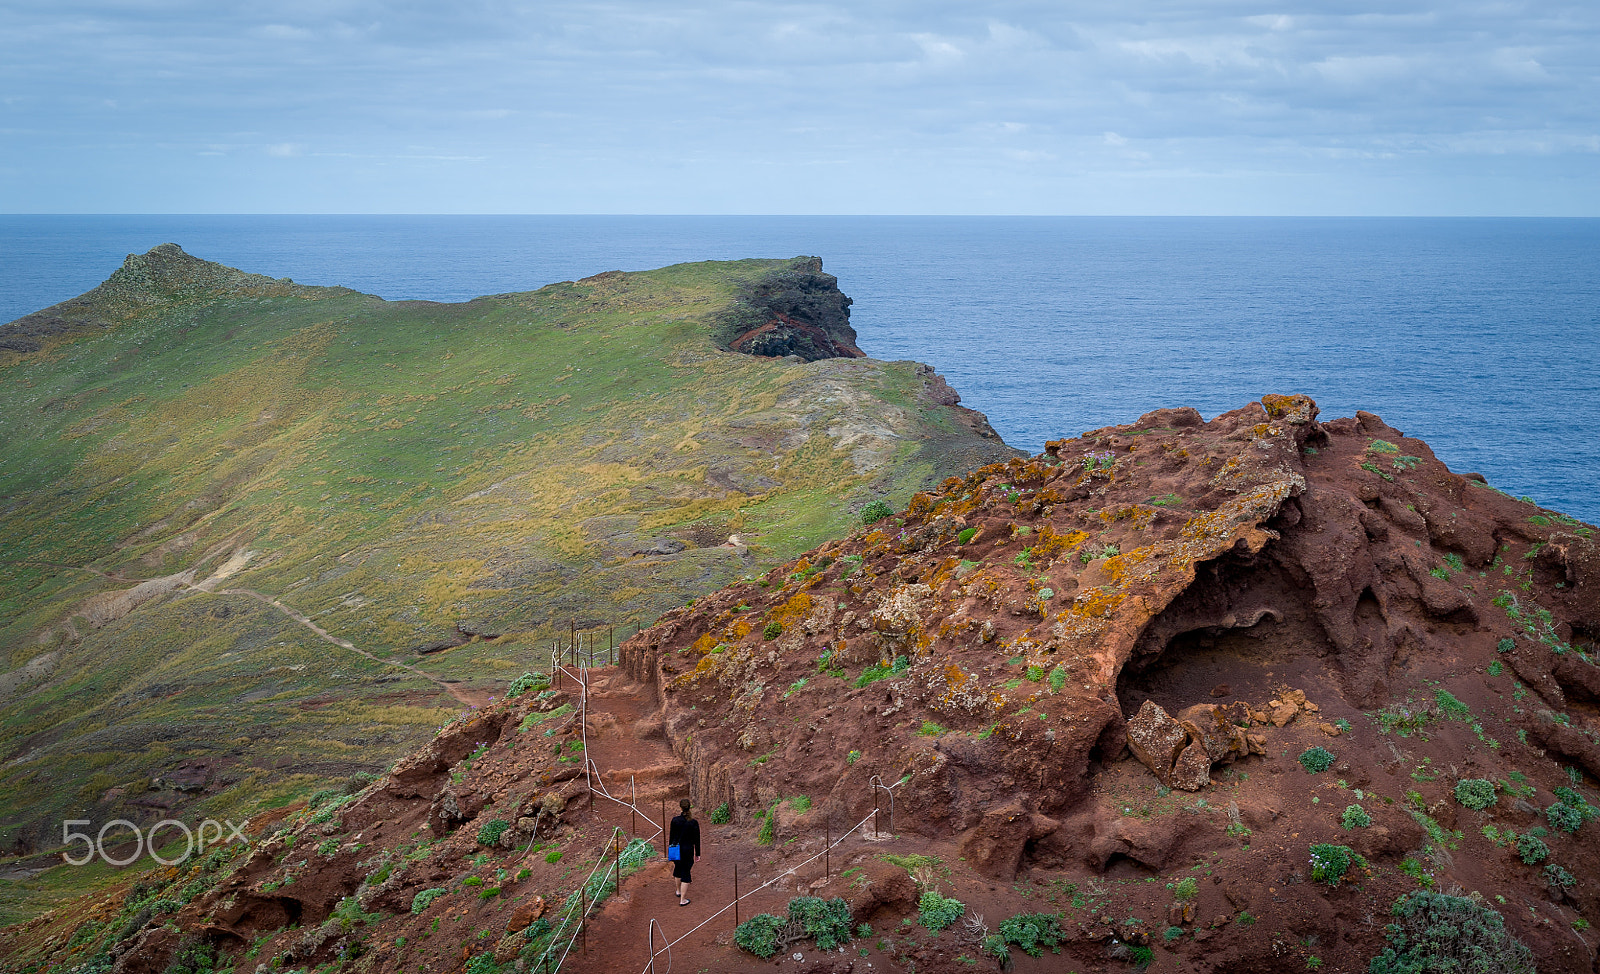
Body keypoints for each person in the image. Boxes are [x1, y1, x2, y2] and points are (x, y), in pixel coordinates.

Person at [668, 797, 701, 905]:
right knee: (686, 874)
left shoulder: (675, 820)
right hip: (688, 851)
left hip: (676, 850)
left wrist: (671, 849)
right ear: (689, 807)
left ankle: (678, 891)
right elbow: (697, 840)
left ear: (680, 807)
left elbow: (671, 837)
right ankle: (683, 900)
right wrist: (698, 854)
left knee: (678, 869)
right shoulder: (693, 823)